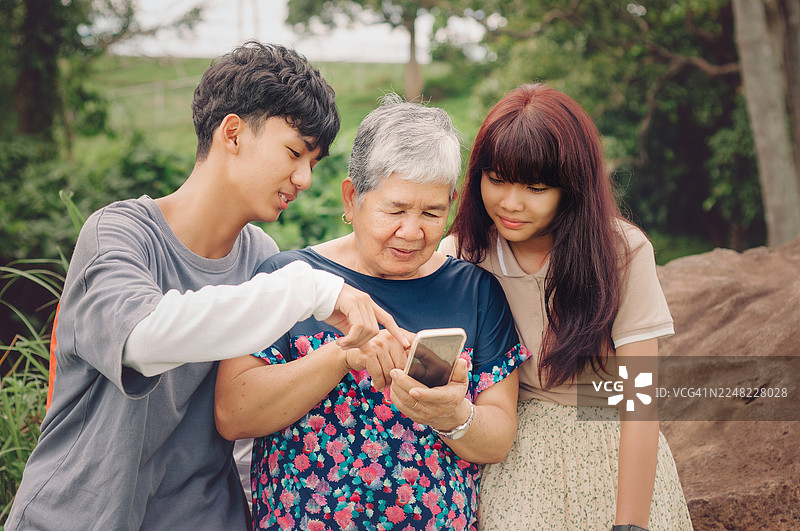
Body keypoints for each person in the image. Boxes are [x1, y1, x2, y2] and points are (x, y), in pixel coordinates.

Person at [6, 41, 407, 530]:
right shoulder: (118, 234)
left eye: (314, 163)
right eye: (294, 152)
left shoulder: (263, 259)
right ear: (232, 133)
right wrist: (313, 290)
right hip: (77, 517)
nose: (304, 178)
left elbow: (243, 414)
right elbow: (144, 339)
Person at [214, 95, 530, 531]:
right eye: (395, 210)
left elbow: (497, 440)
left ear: (452, 202)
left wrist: (452, 415)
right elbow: (233, 414)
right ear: (352, 197)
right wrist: (341, 356)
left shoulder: (475, 292)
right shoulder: (290, 279)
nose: (412, 232)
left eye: (432, 212)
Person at [440, 84, 693, 530]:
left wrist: (631, 524)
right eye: (496, 179)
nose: (510, 203)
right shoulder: (461, 256)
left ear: (573, 188)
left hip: (611, 447)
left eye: (536, 187)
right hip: (515, 454)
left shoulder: (622, 252)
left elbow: (639, 400)